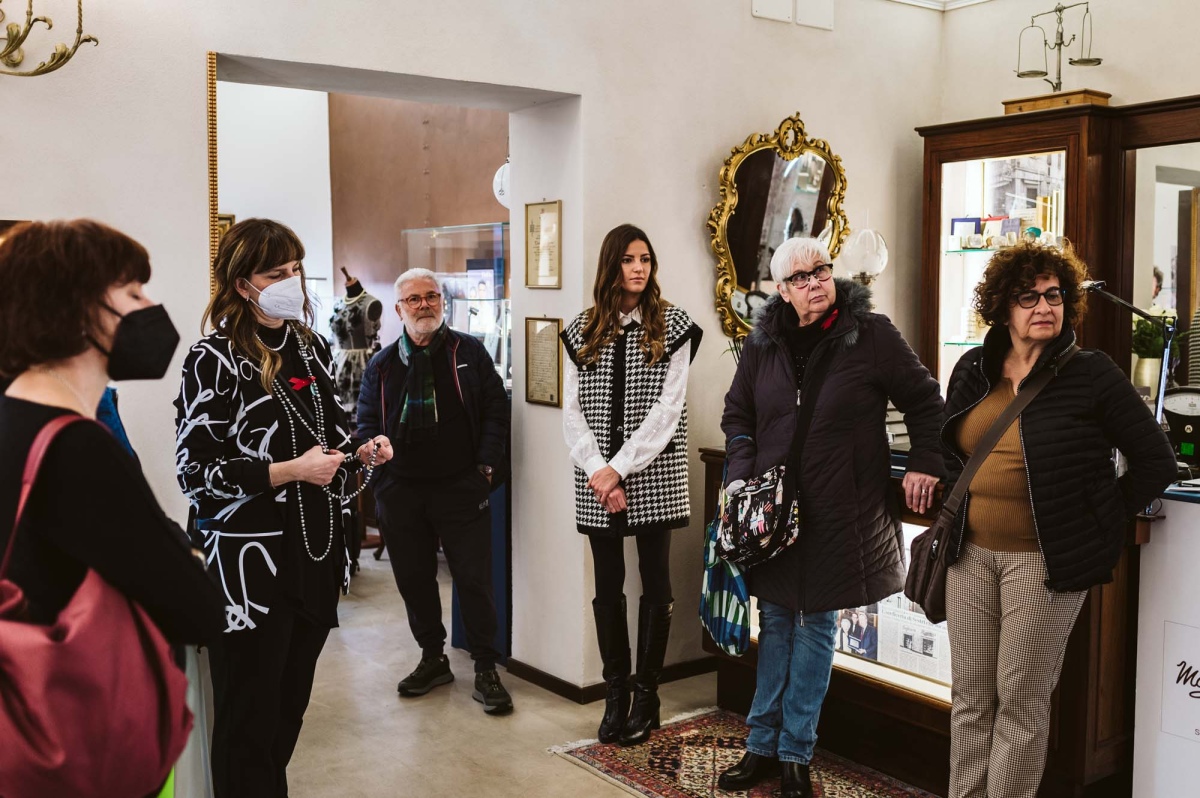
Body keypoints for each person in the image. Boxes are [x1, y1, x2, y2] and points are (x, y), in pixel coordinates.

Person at [940, 241, 1176, 798]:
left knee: (1020, 702)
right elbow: (951, 446)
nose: (1045, 306)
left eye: (1055, 295)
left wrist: (1101, 517)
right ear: (1003, 306)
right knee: (971, 699)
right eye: (1029, 296)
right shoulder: (973, 368)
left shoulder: (1091, 373)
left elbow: (1156, 460)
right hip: (968, 557)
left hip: (1043, 565)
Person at [718, 236, 944, 798]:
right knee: (774, 620)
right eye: (799, 277)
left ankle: (796, 753)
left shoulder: (871, 334)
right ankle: (760, 745)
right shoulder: (762, 343)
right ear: (781, 290)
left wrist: (924, 462)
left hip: (842, 508)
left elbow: (926, 401)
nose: (814, 282)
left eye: (820, 270)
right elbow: (738, 414)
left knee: (816, 625)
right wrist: (740, 474)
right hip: (773, 511)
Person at [175, 218, 392, 797]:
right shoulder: (213, 359)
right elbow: (195, 475)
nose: (292, 282)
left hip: (314, 561)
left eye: (296, 269)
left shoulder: (310, 347)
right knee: (247, 722)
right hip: (249, 573)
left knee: (286, 716)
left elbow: (332, 442)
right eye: (276, 273)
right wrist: (287, 471)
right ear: (242, 284)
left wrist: (361, 453)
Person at [0, 220, 226, 777]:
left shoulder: (12, 417)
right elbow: (197, 609)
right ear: (75, 309)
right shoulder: (77, 447)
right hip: (69, 740)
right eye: (132, 292)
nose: (151, 306)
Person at [560, 223, 703, 746]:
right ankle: (615, 694)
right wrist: (600, 471)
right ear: (611, 266)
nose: (638, 268)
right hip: (596, 475)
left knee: (655, 580)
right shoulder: (580, 330)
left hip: (653, 472)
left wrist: (618, 469)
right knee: (607, 585)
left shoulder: (674, 326)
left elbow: (668, 410)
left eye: (645, 258)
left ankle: (647, 695)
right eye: (628, 259)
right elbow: (572, 412)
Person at [356, 267, 512, 714]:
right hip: (401, 491)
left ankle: (485, 667)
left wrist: (484, 468)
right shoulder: (382, 365)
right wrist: (378, 466)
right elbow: (366, 423)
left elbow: (496, 411)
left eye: (431, 296)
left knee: (474, 580)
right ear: (399, 308)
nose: (424, 305)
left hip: (461, 486)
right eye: (414, 299)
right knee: (414, 580)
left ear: (442, 301)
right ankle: (432, 658)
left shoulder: (469, 352)